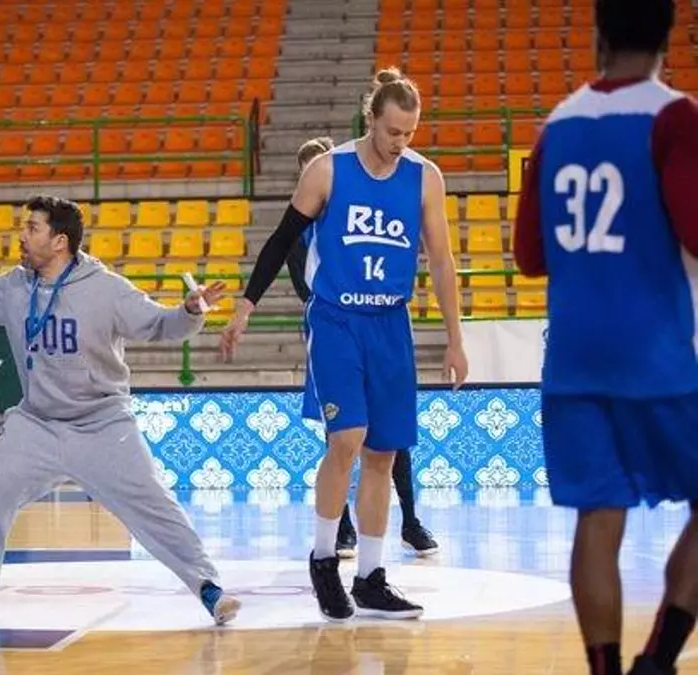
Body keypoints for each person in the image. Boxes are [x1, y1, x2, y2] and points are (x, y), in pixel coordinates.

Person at [0, 195, 241, 626]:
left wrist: (191, 310)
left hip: (103, 424)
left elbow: (161, 324)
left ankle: (209, 588)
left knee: (154, 505)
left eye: (32, 228)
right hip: (37, 422)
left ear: (59, 241)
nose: (21, 235)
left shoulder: (106, 289)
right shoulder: (13, 288)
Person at [220, 68, 468, 623]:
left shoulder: (425, 178)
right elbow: (281, 239)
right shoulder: (328, 169)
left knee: (384, 452)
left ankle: (372, 577)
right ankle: (324, 558)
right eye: (393, 131)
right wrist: (245, 306)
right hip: (335, 319)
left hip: (390, 322)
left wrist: (456, 339)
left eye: (410, 133)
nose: (401, 141)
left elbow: (442, 261)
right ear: (370, 119)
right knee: (347, 438)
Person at [512, 1, 698, 673]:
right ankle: (660, 656)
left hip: (572, 358)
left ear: (597, 36)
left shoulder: (556, 125)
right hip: (657, 356)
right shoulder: (676, 116)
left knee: (598, 515)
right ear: (668, 35)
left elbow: (529, 254)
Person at [289, 137, 440, 560]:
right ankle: (341, 529)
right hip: (332, 328)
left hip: (378, 325)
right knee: (341, 434)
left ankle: (410, 521)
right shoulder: (301, 227)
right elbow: (306, 287)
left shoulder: (368, 203)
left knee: (390, 436)